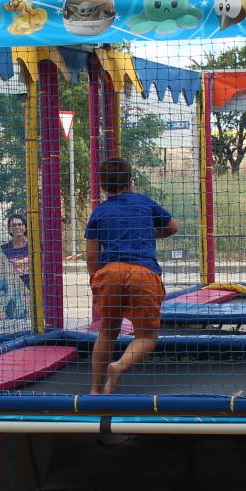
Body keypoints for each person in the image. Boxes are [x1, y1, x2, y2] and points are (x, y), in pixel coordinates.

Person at [84, 156, 176, 395]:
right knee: (146, 336)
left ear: (103, 186)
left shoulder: (99, 212)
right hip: (142, 273)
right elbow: (172, 226)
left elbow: (92, 254)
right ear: (131, 181)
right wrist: (147, 234)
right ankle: (119, 366)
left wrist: (95, 278)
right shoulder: (144, 202)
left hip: (110, 272)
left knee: (107, 331)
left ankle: (95, 389)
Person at [0, 214, 32, 287]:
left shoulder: (33, 246)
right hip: (13, 289)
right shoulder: (3, 249)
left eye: (20, 224)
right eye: (13, 225)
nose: (17, 227)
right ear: (9, 229)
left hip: (34, 288)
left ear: (25, 227)